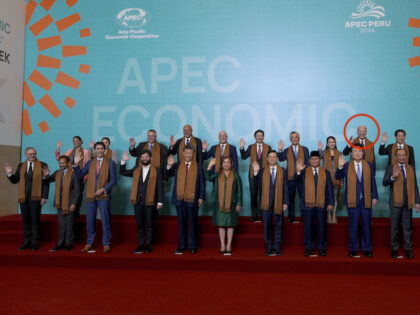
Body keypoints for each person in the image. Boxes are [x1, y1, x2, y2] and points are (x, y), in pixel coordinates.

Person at [73, 141, 117, 253]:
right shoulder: (90, 162)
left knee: (105, 220)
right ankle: (89, 243)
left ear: (105, 150)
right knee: (90, 220)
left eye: (102, 148)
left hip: (104, 195)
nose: (100, 150)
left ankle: (106, 243)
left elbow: (113, 180)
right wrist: (76, 165)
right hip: (91, 195)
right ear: (95, 150)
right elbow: (79, 175)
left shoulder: (110, 163)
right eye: (97, 148)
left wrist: (103, 189)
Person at [336, 144, 378, 257]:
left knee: (366, 226)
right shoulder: (346, 165)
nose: (357, 153)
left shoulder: (369, 165)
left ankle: (367, 249)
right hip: (352, 200)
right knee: (353, 226)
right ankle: (353, 248)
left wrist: (374, 196)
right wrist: (339, 167)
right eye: (355, 151)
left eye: (359, 151)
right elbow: (337, 176)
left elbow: (372, 181)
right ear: (352, 153)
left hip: (366, 200)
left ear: (363, 153)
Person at [4, 147, 49, 250]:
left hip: (36, 198)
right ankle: (26, 242)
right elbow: (15, 180)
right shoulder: (21, 165)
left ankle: (34, 242)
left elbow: (45, 183)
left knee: (35, 220)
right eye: (29, 154)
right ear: (25, 155)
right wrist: (10, 173)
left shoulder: (42, 165)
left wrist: (44, 196)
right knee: (26, 220)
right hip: (23, 198)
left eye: (34, 153)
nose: (32, 156)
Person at [120, 150, 163, 254]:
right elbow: (123, 172)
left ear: (150, 158)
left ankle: (148, 245)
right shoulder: (136, 169)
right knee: (139, 224)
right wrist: (123, 162)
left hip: (150, 201)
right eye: (142, 157)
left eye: (146, 157)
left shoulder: (156, 170)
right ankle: (140, 244)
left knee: (149, 224)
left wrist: (160, 201)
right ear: (140, 159)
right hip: (138, 201)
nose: (144, 159)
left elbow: (160, 187)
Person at [167, 145, 205, 254]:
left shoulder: (199, 166)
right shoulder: (177, 165)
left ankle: (193, 246)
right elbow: (168, 174)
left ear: (193, 154)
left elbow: (202, 183)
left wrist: (202, 196)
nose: (188, 155)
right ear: (183, 154)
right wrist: (169, 166)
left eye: (190, 153)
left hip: (193, 199)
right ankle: (182, 245)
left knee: (193, 224)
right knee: (181, 224)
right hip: (179, 199)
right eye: (186, 153)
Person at [383, 149, 420, 259]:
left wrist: (417, 202)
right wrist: (393, 177)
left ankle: (408, 250)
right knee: (394, 228)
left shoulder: (411, 168)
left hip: (408, 203)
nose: (402, 157)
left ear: (407, 156)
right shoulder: (391, 167)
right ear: (396, 157)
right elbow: (384, 182)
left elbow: (415, 186)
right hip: (395, 203)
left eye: (404, 155)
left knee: (408, 228)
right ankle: (394, 250)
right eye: (399, 155)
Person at [295, 151, 334, 256]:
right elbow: (296, 182)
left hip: (322, 204)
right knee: (308, 228)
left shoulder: (326, 172)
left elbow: (330, 188)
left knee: (322, 227)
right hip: (307, 204)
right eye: (312, 159)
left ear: (320, 161)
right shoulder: (303, 172)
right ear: (309, 161)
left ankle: (321, 247)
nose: (314, 161)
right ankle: (309, 247)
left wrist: (331, 202)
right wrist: (298, 172)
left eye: (316, 159)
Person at [253, 150, 288, 256]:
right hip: (266, 203)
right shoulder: (262, 171)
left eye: (274, 157)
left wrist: (285, 202)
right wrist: (255, 173)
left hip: (279, 202)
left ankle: (277, 247)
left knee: (279, 225)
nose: (272, 158)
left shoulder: (283, 170)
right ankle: (269, 246)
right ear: (267, 159)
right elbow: (256, 186)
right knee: (267, 226)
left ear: (277, 158)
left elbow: (285, 187)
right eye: (270, 157)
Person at [43, 155, 81, 252]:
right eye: (60, 163)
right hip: (59, 204)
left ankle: (68, 244)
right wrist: (46, 175)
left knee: (69, 225)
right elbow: (47, 180)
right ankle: (60, 244)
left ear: (68, 163)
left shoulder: (74, 173)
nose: (61, 165)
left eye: (63, 163)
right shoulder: (57, 173)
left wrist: (74, 204)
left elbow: (78, 191)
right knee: (61, 225)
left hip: (70, 204)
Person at [205, 157, 242, 255]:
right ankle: (222, 244)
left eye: (228, 162)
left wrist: (239, 203)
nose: (226, 164)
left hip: (232, 204)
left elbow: (239, 191)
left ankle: (229, 244)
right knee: (221, 225)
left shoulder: (236, 176)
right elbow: (208, 178)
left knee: (230, 224)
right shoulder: (217, 175)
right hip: (219, 204)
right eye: (224, 162)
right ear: (221, 164)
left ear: (231, 164)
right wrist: (209, 166)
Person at [240, 129, 271, 222]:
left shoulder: (268, 147)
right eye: (258, 135)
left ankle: (262, 216)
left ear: (263, 137)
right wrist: (242, 148)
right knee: (253, 196)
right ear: (255, 137)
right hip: (253, 176)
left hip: (264, 176)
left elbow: (271, 160)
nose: (259, 137)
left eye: (261, 135)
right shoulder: (251, 147)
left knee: (263, 196)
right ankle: (254, 216)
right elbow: (244, 157)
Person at [277, 131, 309, 223]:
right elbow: (281, 158)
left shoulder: (305, 149)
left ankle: (304, 216)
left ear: (299, 138)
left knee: (303, 198)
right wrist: (280, 150)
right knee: (290, 198)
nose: (294, 138)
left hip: (302, 178)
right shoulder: (286, 150)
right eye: (292, 137)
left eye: (296, 137)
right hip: (290, 178)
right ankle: (291, 217)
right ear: (290, 139)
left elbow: (307, 163)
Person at [55, 136, 90, 219]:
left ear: (81, 141)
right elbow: (59, 159)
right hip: (69, 175)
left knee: (78, 194)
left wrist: (86, 177)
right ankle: (69, 211)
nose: (75, 142)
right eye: (74, 141)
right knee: (70, 193)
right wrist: (58, 149)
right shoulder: (70, 151)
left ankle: (76, 212)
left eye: (77, 141)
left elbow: (88, 165)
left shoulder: (86, 152)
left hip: (80, 176)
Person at [318, 136, 343, 223]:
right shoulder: (324, 153)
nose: (332, 143)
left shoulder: (340, 153)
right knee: (327, 198)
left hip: (337, 179)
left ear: (335, 143)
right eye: (330, 142)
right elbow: (318, 157)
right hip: (326, 179)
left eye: (333, 142)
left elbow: (341, 167)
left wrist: (342, 180)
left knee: (335, 198)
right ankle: (328, 215)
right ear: (327, 144)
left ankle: (334, 215)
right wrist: (319, 149)